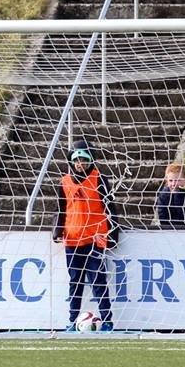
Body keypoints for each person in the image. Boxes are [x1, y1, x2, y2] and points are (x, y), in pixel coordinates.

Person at [52, 141, 118, 332]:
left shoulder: (100, 179)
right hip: (73, 239)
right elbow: (61, 208)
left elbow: (110, 208)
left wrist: (114, 233)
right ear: (71, 161)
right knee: (75, 282)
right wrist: (57, 230)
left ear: (91, 160)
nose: (80, 163)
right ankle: (72, 321)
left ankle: (107, 321)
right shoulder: (64, 181)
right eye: (77, 160)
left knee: (98, 281)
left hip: (95, 238)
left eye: (84, 160)